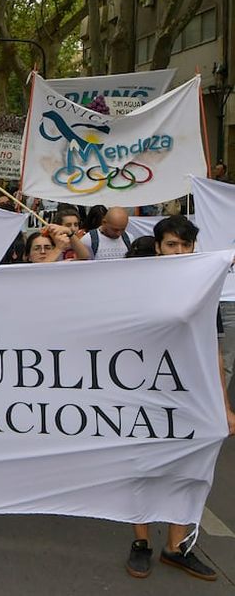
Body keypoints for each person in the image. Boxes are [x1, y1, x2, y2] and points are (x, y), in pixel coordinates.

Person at [125, 214, 235, 582]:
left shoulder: (204, 287)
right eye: (172, 244)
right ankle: (141, 542)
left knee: (188, 468)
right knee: (141, 467)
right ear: (157, 247)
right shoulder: (136, 285)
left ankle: (176, 546)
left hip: (190, 395)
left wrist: (224, 405)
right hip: (142, 393)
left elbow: (213, 351)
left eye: (186, 245)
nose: (179, 251)